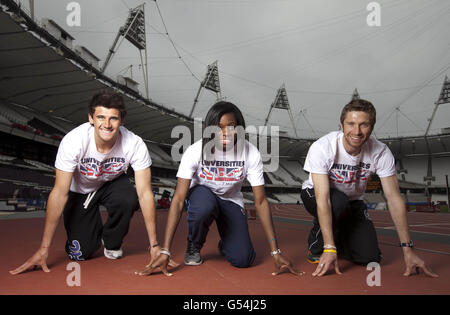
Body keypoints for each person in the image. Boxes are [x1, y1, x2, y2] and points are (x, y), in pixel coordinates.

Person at [136, 101, 302, 276]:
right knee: (203, 206)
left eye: (231, 126)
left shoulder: (250, 152)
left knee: (243, 260)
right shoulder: (195, 151)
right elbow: (178, 199)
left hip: (230, 200)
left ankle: (226, 243)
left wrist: (275, 251)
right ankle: (194, 243)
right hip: (203, 195)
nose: (225, 133)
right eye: (218, 127)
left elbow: (260, 201)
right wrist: (165, 251)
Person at [10, 90, 166, 274]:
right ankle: (91, 233)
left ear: (122, 121)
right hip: (81, 190)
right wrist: (44, 248)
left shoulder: (135, 144)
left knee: (128, 197)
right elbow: (59, 193)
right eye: (101, 117)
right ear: (91, 118)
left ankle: (111, 242)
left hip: (112, 183)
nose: (106, 124)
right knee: (80, 254)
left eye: (113, 119)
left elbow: (145, 193)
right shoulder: (73, 141)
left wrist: (154, 245)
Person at [300, 99, 438, 278]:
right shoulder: (323, 147)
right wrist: (329, 247)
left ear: (372, 127)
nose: (356, 131)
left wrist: (407, 249)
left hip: (353, 202)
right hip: (317, 195)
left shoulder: (381, 152)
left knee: (370, 257)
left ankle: (342, 237)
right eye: (351, 124)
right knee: (337, 202)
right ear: (341, 125)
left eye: (364, 125)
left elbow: (394, 198)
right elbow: (323, 198)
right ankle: (319, 246)